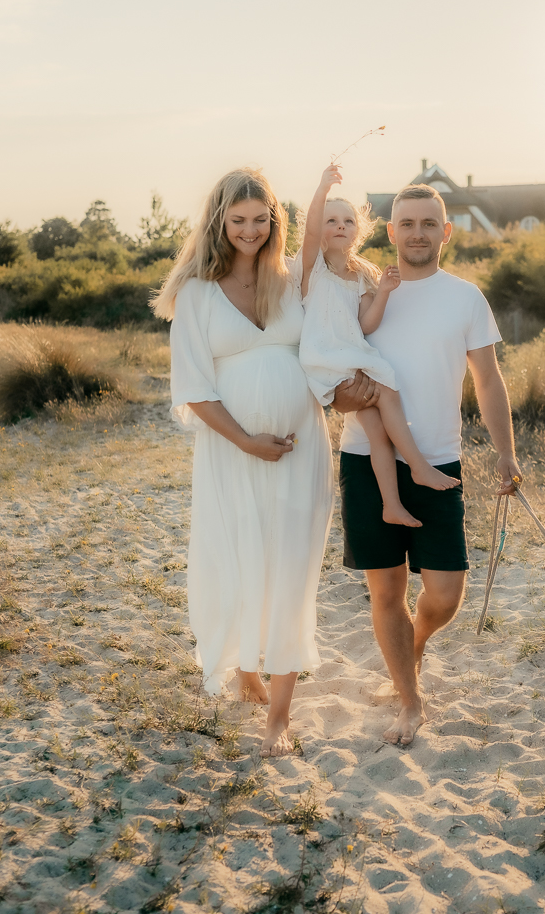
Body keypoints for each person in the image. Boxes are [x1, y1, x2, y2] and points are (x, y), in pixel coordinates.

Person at [330, 183, 521, 746]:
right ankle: (410, 702)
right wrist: (344, 398)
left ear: (446, 232)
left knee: (445, 593)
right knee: (385, 591)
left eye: (428, 224)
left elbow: (488, 380)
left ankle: (410, 649)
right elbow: (328, 378)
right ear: (391, 232)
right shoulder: (360, 293)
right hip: (368, 462)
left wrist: (506, 454)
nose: (417, 233)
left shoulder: (465, 298)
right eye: (406, 223)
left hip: (440, 460)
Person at [152, 167, 333, 757]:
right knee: (240, 560)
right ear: (219, 222)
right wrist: (247, 440)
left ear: (273, 221)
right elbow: (196, 390)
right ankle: (244, 664)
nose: (250, 230)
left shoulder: (292, 284)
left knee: (291, 568)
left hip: (301, 449)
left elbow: (333, 339)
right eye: (238, 221)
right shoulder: (197, 296)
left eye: (261, 219)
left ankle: (279, 717)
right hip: (233, 454)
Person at [297, 161, 459, 528]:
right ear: (319, 226)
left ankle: (392, 505)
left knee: (377, 433)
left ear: (360, 230)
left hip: (350, 361)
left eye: (348, 221)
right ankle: (418, 465)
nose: (340, 225)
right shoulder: (312, 269)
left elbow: (367, 323)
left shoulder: (361, 275)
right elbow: (308, 235)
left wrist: (383, 292)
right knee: (389, 391)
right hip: (326, 360)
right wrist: (322, 190)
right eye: (330, 219)